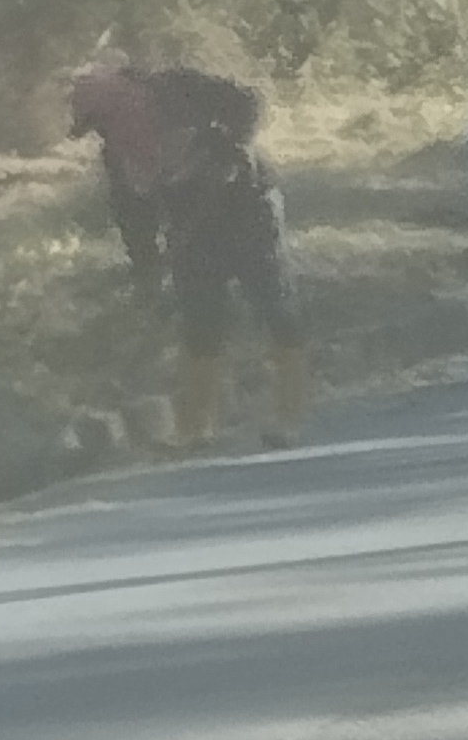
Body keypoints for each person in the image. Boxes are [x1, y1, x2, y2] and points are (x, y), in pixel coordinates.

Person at [145, 69, 313, 452]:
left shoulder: (189, 101)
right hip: (196, 225)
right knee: (201, 323)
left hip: (251, 218)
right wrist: (160, 248)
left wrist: (232, 147)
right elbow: (148, 199)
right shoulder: (135, 134)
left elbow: (249, 103)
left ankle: (289, 420)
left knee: (277, 313)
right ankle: (195, 430)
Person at [65, 61, 178, 292]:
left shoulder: (95, 92)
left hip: (129, 166)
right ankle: (163, 275)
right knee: (167, 226)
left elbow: (79, 130)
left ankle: (148, 281)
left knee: (138, 231)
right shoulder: (152, 93)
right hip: (161, 164)